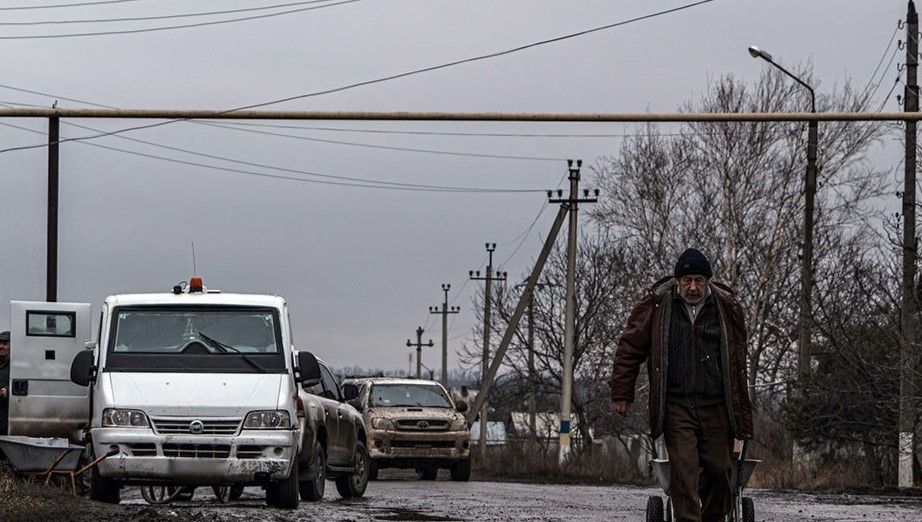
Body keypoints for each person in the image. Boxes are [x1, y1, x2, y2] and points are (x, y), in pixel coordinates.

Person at [609, 248, 753, 522]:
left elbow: (739, 357)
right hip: (677, 405)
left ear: (708, 280)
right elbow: (629, 348)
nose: (693, 287)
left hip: (716, 404)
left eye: (699, 280)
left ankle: (713, 518)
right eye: (687, 280)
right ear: (678, 281)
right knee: (684, 470)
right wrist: (622, 391)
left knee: (719, 470)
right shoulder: (657, 306)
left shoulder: (726, 307)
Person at [0, 330, 10, 436]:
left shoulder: (17, 365)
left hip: (8, 413)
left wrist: (8, 389)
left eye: (5, 344)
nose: (1, 346)